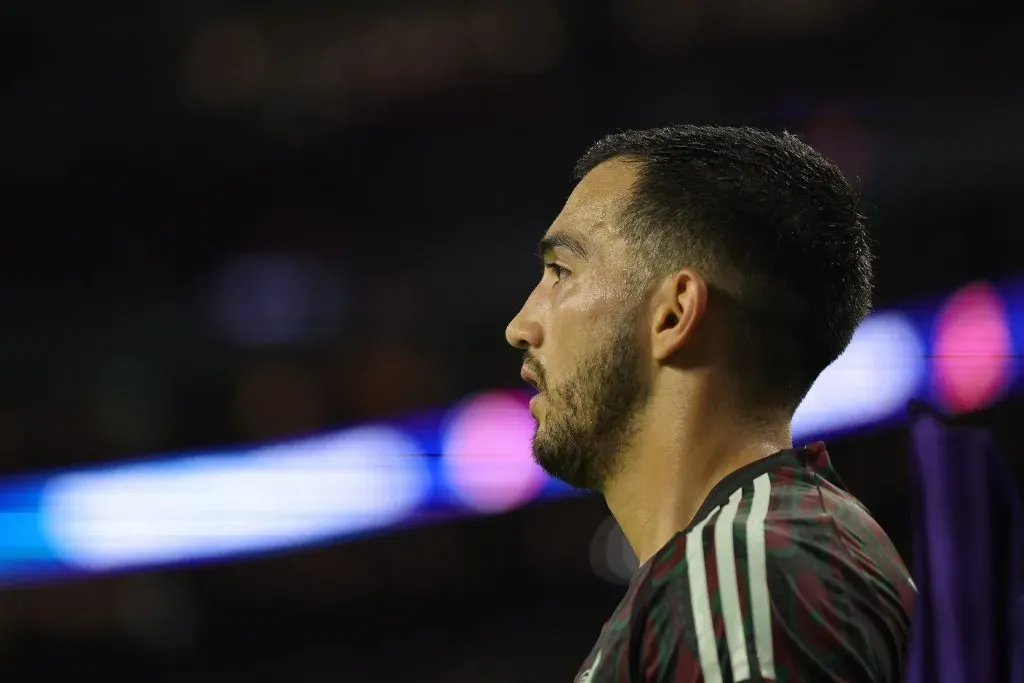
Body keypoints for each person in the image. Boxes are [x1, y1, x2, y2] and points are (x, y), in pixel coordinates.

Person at [505, 125, 916, 682]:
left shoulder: (741, 567)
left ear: (673, 315)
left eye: (561, 272)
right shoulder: (743, 562)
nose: (520, 326)